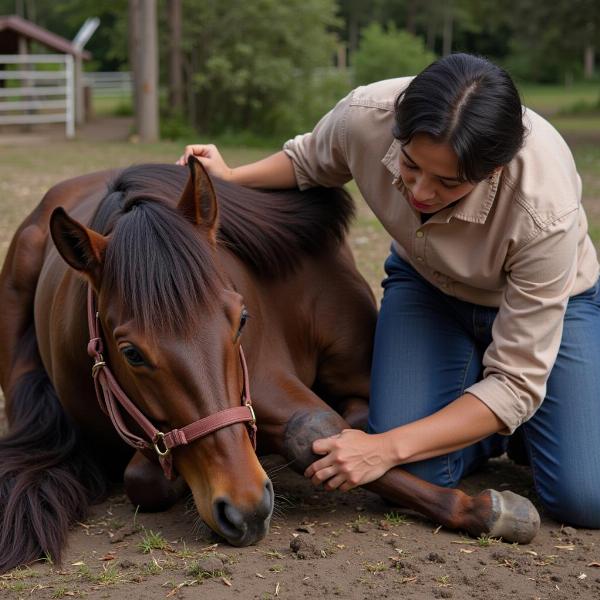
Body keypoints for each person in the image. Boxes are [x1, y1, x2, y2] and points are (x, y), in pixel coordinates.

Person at [177, 53, 600, 528]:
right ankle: (494, 426)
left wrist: (381, 447)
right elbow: (307, 162)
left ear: (494, 171)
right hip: (430, 291)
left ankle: (518, 418)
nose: (419, 191)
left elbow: (516, 382)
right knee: (418, 472)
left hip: (554, 306)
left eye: (448, 183)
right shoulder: (367, 115)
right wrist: (232, 178)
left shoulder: (545, 211)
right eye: (411, 165)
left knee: (585, 498)